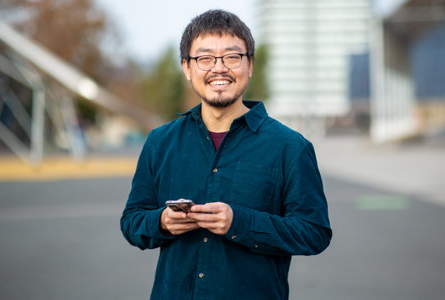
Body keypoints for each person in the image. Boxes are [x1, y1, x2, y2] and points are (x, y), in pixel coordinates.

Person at [121, 9, 332, 300]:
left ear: (250, 65)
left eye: (232, 57)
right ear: (187, 67)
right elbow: (132, 221)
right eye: (205, 58)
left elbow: (314, 232)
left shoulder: (290, 147)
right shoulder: (160, 142)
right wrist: (162, 222)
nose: (218, 69)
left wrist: (240, 223)